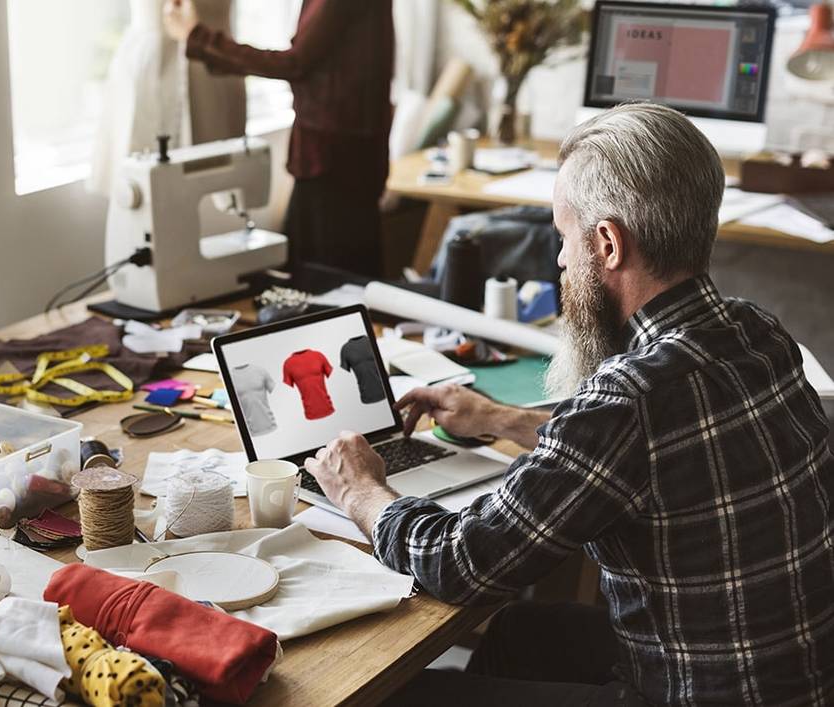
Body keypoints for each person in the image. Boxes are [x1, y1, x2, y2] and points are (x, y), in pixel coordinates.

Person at [304, 103, 834, 705]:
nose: (559, 259)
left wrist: (360, 490)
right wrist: (503, 420)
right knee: (522, 632)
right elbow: (658, 441)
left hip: (687, 691)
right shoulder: (758, 333)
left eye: (563, 236)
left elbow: (461, 565)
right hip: (797, 676)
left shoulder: (626, 401)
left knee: (400, 693)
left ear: (607, 243)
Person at [162, 0, 394, 278]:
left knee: (328, 278)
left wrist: (198, 38)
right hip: (344, 151)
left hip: (333, 156)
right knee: (331, 273)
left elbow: (295, 63)